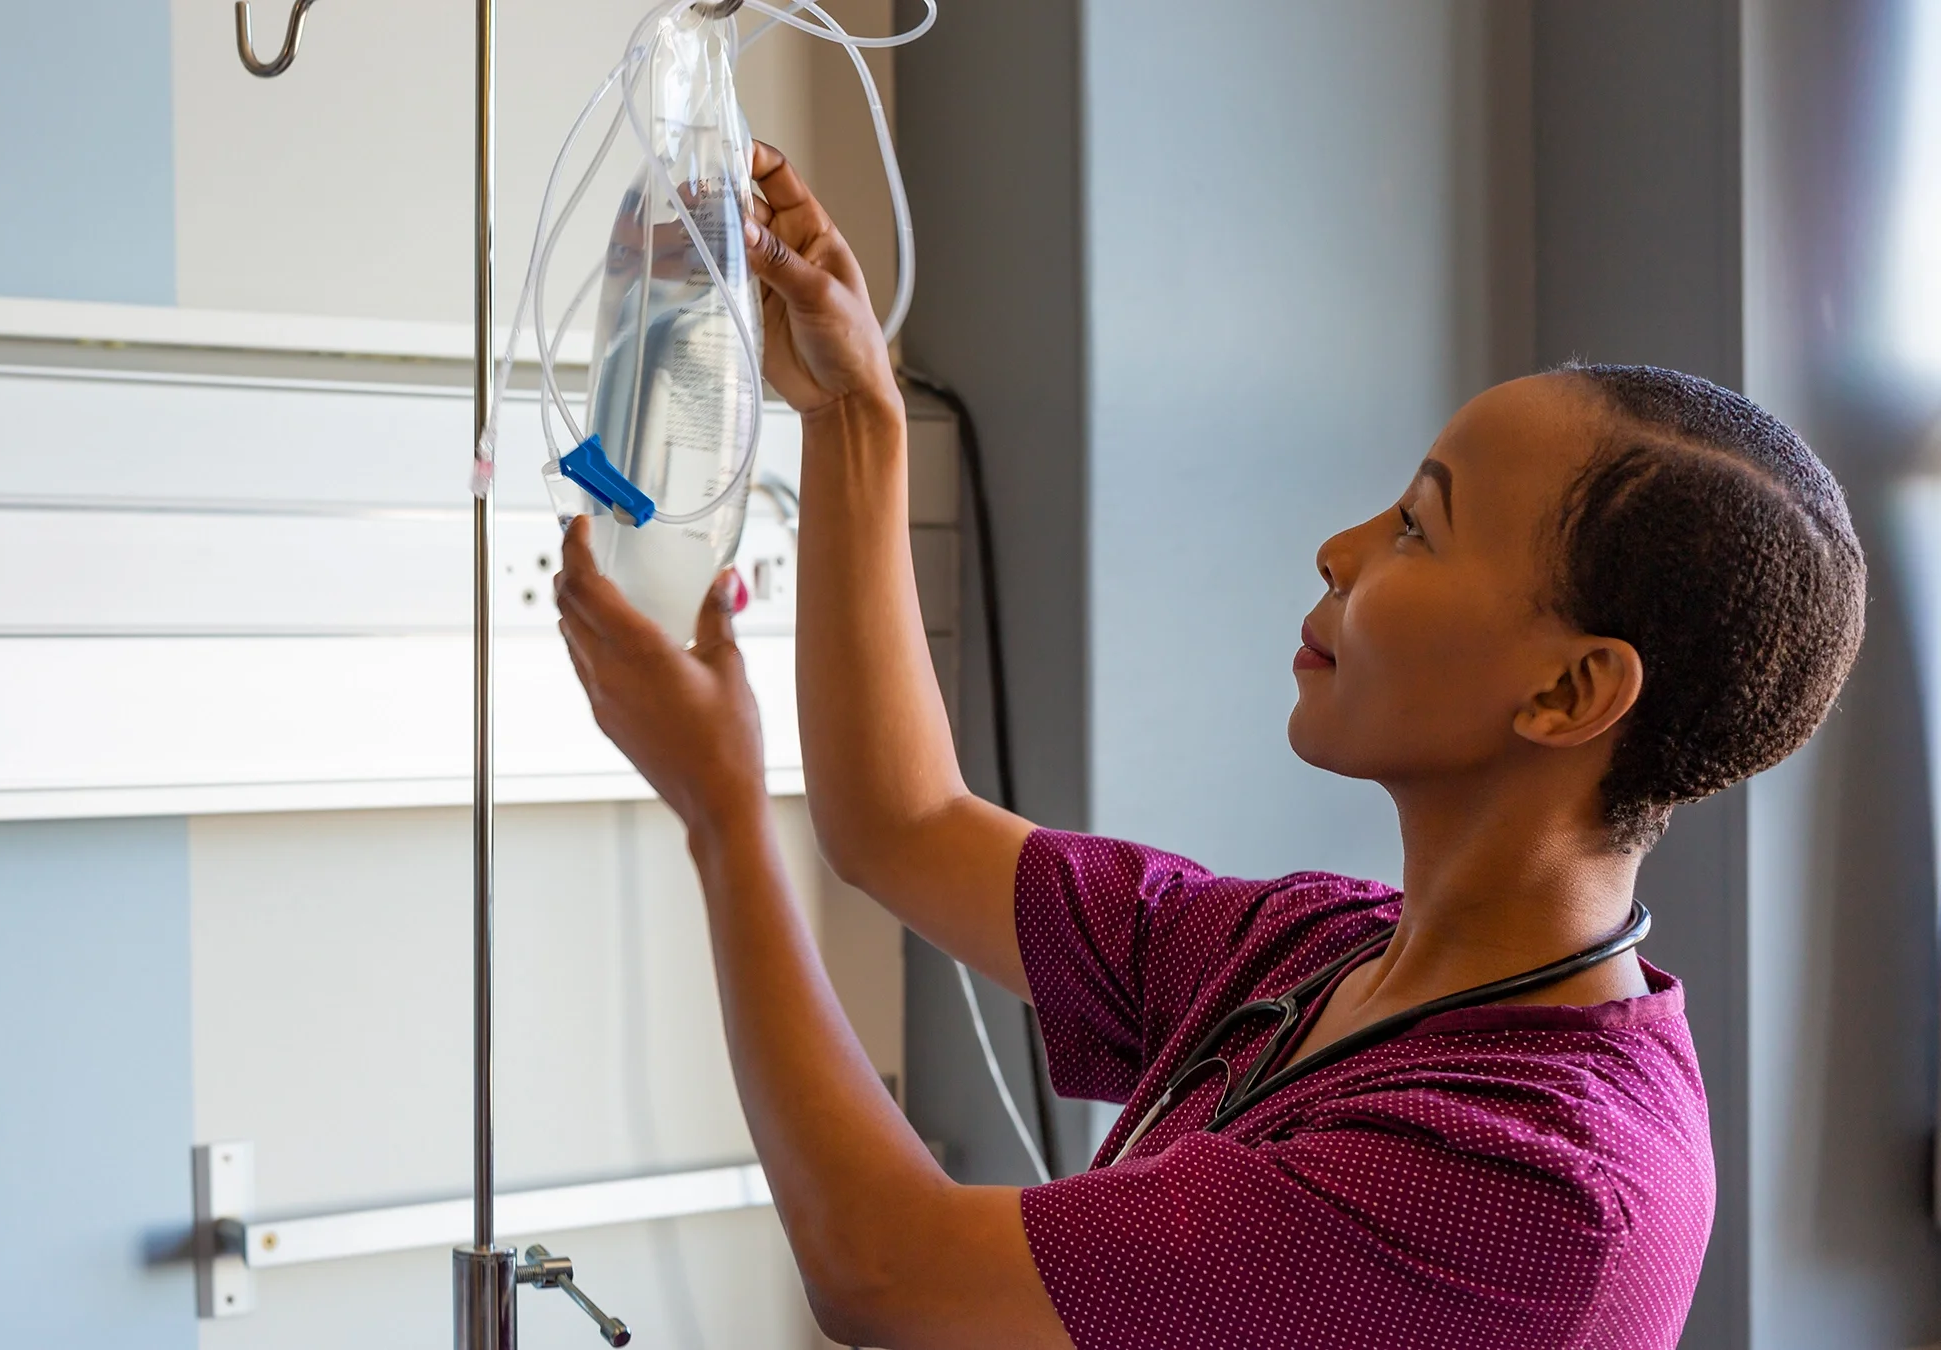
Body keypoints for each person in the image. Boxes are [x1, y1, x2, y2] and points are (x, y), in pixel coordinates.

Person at [551, 142, 1865, 1350]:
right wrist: (855, 414)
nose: (1339, 549)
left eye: (1420, 526)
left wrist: (724, 818)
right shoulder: (1320, 952)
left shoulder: (1536, 1184)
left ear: (1572, 690)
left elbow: (883, 1270)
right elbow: (903, 826)